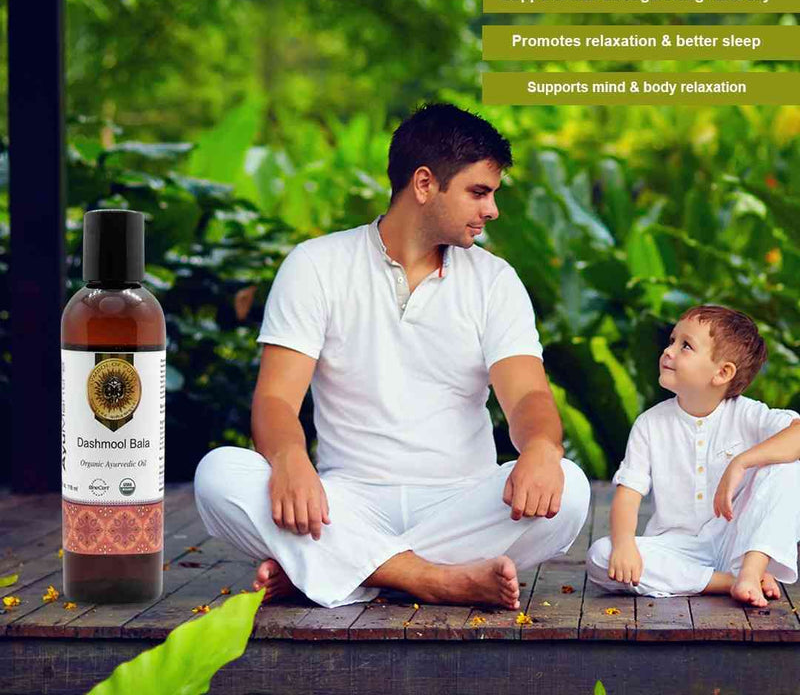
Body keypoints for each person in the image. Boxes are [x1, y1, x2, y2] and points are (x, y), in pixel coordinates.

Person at [194, 103, 591, 609]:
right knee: (219, 474)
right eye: (479, 192)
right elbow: (274, 398)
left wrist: (540, 447)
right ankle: (430, 579)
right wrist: (290, 459)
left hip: (462, 502)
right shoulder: (316, 265)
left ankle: (337, 569)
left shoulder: (495, 280)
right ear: (425, 184)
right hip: (342, 503)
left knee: (570, 489)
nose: (492, 210)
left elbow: (528, 394)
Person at [586, 305, 800, 607]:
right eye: (672, 340)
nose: (668, 351)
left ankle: (751, 570)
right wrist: (623, 545)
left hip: (735, 543)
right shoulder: (650, 424)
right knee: (600, 556)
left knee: (788, 466)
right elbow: (628, 495)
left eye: (685, 345)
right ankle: (728, 582)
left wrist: (742, 461)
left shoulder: (749, 415)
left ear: (722, 373)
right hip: (674, 547)